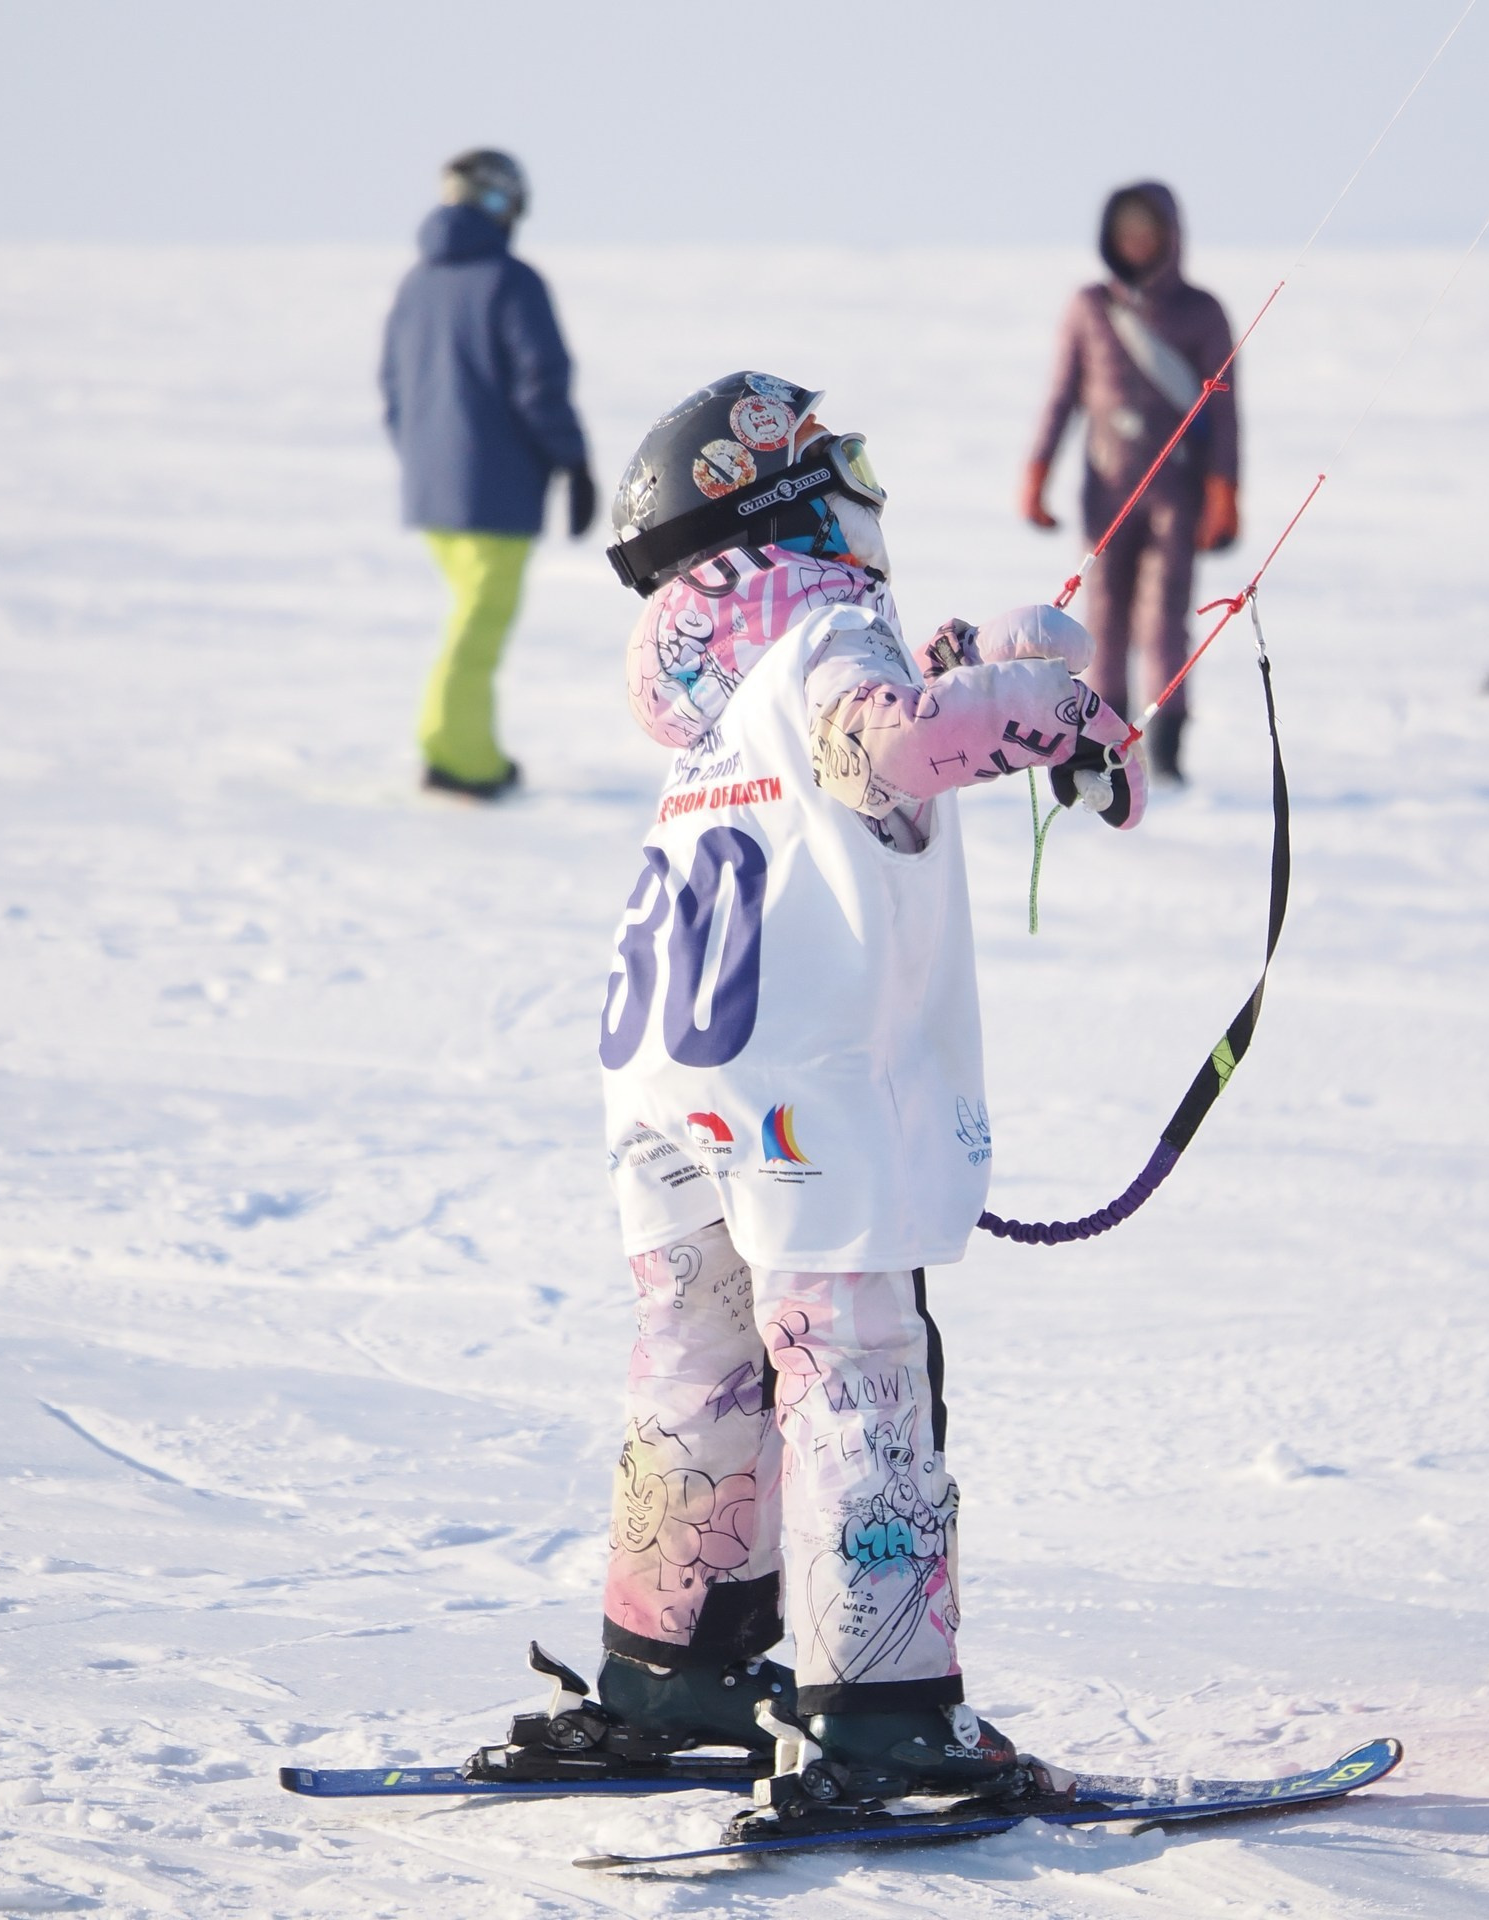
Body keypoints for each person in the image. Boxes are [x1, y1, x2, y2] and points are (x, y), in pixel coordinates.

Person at [503, 371, 1145, 1808]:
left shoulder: (730, 686)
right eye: (845, 461)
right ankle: (883, 1715)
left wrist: (995, 675)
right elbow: (896, 742)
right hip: (800, 1097)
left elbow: (882, 723)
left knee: (701, 1365)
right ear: (788, 496)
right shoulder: (824, 629)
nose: (868, 489)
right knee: (851, 1368)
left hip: (666, 1091)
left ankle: (674, 1675)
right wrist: (1065, 716)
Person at [380, 148, 596, 799]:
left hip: (433, 489)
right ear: (502, 205)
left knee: (468, 620)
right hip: (495, 491)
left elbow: (394, 391)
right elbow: (540, 385)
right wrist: (573, 461)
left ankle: (470, 745)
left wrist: (424, 459)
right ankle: (459, 756)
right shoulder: (511, 281)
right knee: (479, 627)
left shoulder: (416, 282)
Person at [1021, 182, 1240, 784]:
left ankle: (1167, 752)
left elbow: (1223, 412)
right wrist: (1036, 473)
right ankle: (1104, 745)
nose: (1137, 243)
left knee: (1165, 622)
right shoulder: (1089, 307)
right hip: (1105, 492)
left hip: (1178, 495)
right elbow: (1061, 397)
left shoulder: (1203, 312)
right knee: (1104, 619)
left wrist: (1226, 493)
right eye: (1127, 232)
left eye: (1149, 231)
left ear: (1171, 238)